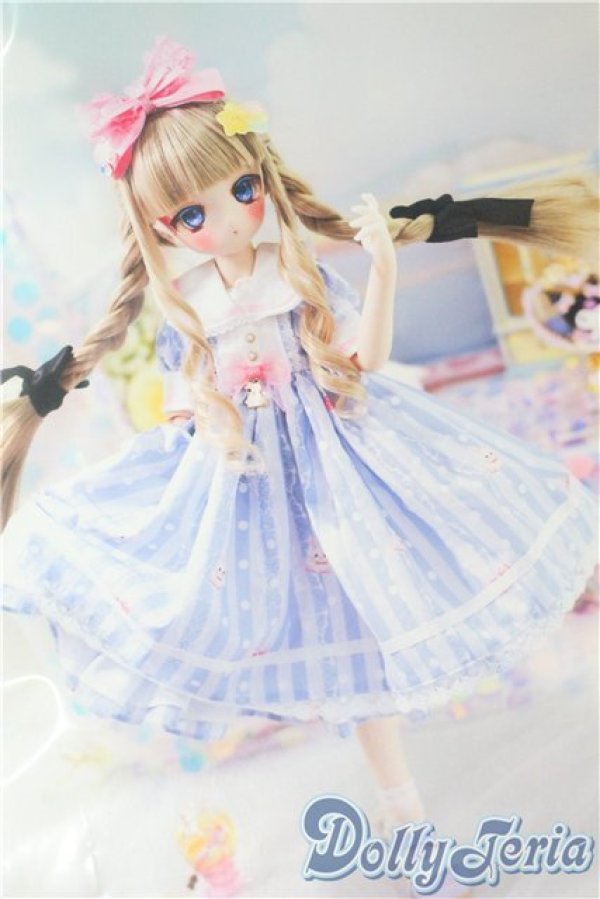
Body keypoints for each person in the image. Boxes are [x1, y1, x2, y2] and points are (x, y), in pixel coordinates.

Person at [2, 36, 598, 898]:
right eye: (194, 215)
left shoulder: (295, 274)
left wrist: (383, 270)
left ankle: (405, 814)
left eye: (242, 191)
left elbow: (365, 358)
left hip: (344, 470)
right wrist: (212, 426)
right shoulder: (190, 307)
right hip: (252, 492)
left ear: (263, 181)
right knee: (311, 638)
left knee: (374, 623)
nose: (228, 219)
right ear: (164, 228)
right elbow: (180, 409)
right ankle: (397, 816)